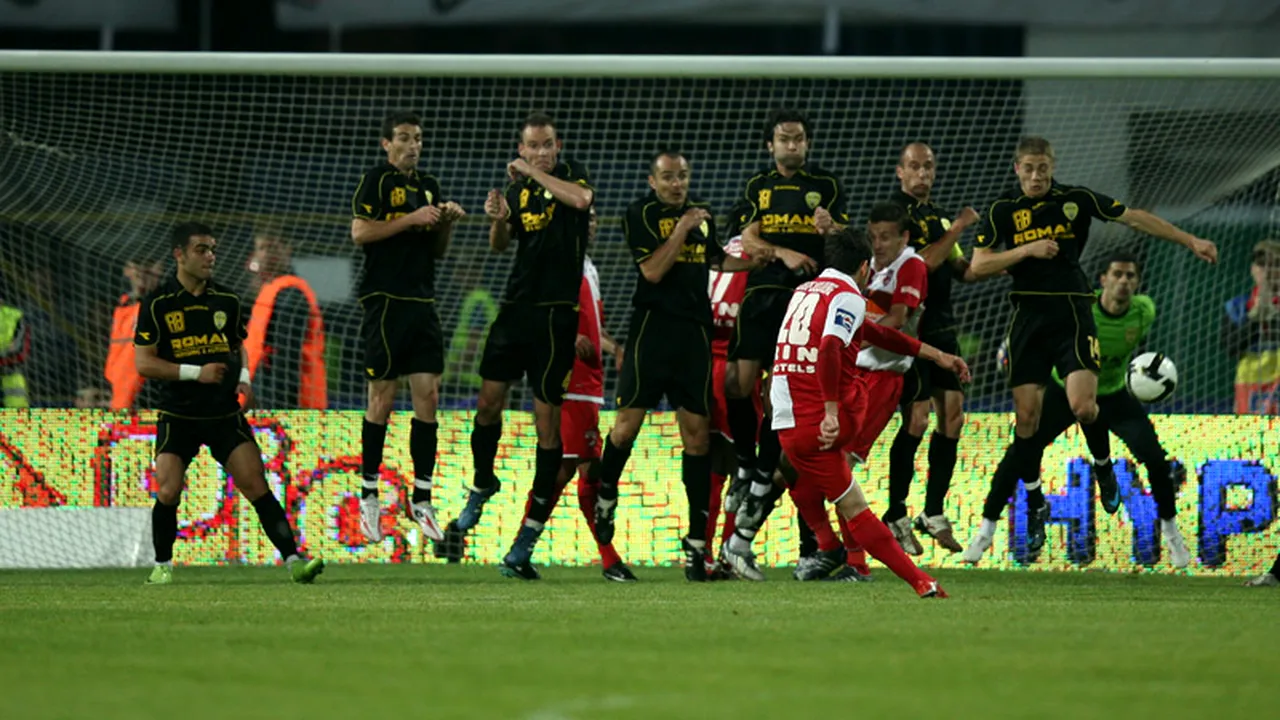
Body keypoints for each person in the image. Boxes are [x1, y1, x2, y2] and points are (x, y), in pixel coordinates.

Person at [966, 136, 1217, 557]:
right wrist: (1027, 248)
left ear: (1052, 166)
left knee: (1084, 405)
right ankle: (1033, 501)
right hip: (1027, 318)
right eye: (1027, 168)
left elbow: (1134, 218)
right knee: (1025, 424)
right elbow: (978, 264)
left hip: (1072, 312)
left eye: (1042, 168)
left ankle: (1104, 470)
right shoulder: (1002, 211)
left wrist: (1189, 239)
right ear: (1016, 169)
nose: (1035, 176)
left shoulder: (1076, 200)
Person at [771, 227, 969, 598]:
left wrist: (936, 355)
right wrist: (831, 411)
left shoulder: (805, 291)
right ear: (864, 267)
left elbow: (876, 335)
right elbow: (830, 346)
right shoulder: (848, 295)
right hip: (823, 416)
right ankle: (915, 579)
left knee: (821, 483)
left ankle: (831, 548)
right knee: (856, 504)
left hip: (788, 417)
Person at [962, 252, 1191, 569]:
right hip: (1065, 389)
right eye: (1117, 274)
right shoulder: (1081, 307)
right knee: (1020, 452)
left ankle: (1172, 534)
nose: (1124, 282)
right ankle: (985, 531)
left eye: (1130, 276)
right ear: (1103, 280)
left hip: (1113, 395)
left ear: (1138, 283)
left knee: (1154, 458)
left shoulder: (1144, 311)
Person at [588, 149, 754, 582]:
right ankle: (605, 495)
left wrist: (760, 260)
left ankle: (697, 547)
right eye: (667, 177)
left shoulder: (702, 217)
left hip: (693, 336)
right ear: (651, 181)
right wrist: (682, 227)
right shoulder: (639, 214)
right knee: (626, 426)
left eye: (682, 176)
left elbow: (717, 259)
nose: (676, 184)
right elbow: (653, 272)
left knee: (698, 439)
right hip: (652, 332)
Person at [442, 112, 594, 580]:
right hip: (516, 310)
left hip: (555, 317)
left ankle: (526, 539)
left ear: (557, 145)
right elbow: (499, 245)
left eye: (547, 144)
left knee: (547, 428)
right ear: (522, 146)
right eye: (533, 147)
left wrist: (531, 173)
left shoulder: (569, 177)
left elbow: (582, 200)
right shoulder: (518, 190)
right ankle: (484, 481)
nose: (541, 151)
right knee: (488, 406)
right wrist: (499, 219)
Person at [133, 221, 324, 585]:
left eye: (213, 249)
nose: (211, 257)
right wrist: (195, 372)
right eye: (202, 250)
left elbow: (239, 347)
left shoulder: (228, 299)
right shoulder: (157, 302)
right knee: (168, 489)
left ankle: (295, 561)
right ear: (179, 255)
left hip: (223, 413)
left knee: (256, 485)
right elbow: (144, 363)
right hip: (179, 414)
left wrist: (245, 380)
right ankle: (162, 567)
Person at [725, 107, 849, 561]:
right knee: (737, 383)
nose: (791, 145)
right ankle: (745, 465)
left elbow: (845, 241)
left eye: (797, 139)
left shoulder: (828, 187)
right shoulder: (757, 186)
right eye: (783, 138)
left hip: (803, 302)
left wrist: (830, 227)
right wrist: (783, 251)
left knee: (782, 394)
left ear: (807, 144)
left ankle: (760, 478)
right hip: (761, 293)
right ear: (770, 144)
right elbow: (746, 241)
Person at [497, 209, 634, 581]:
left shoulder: (586, 266)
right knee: (577, 468)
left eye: (592, 218)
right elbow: (533, 313)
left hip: (590, 382)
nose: (590, 223)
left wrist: (613, 347)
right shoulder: (555, 260)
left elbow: (592, 327)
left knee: (569, 468)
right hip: (567, 378)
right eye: (582, 218)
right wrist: (566, 338)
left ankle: (520, 551)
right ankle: (607, 559)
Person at [351, 110, 465, 547]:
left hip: (422, 301)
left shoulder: (429, 186)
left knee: (429, 395)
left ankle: (421, 498)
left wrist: (444, 224)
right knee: (382, 395)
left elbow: (435, 251)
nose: (412, 145)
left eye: (417, 138)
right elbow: (360, 232)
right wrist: (410, 219)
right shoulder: (375, 181)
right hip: (384, 301)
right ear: (386, 143)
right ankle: (369, 495)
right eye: (403, 137)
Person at [886, 143, 980, 553]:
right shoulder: (892, 216)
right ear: (899, 172)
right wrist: (957, 228)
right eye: (914, 167)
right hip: (909, 328)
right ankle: (895, 513)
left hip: (942, 326)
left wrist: (1013, 255)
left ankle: (933, 511)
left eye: (928, 167)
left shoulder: (939, 217)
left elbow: (961, 269)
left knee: (953, 417)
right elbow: (918, 265)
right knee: (918, 418)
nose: (922, 174)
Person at [244, 229, 328, 409]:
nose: (266, 253)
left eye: (272, 247)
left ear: (287, 249)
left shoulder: (291, 292)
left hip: (293, 403)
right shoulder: (270, 290)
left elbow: (287, 357)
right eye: (262, 248)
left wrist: (279, 408)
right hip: (269, 398)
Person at [1221, 240, 1280, 415]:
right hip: (1250, 386)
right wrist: (1254, 318)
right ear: (1252, 269)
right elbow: (1231, 348)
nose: (1267, 271)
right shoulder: (1237, 306)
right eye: (1261, 264)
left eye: (1276, 264)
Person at [106, 257, 163, 410]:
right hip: (123, 395)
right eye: (137, 265)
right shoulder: (121, 306)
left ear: (160, 269)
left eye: (149, 265)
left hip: (154, 393)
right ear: (127, 271)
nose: (142, 272)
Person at [0, 294, 29, 408]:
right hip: (9, 366)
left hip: (10, 369)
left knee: (16, 405)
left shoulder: (16, 317)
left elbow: (19, 348)